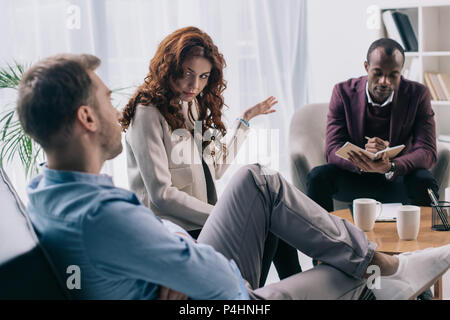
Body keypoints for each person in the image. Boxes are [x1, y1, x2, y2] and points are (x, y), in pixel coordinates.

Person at [17, 53, 450, 300]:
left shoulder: (44, 191)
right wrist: (196, 270)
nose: (118, 112)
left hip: (190, 267)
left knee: (256, 179)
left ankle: (377, 261)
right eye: (107, 101)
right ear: (87, 117)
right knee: (352, 278)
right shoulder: (103, 211)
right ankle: (385, 272)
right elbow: (220, 279)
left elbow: (214, 168)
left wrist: (172, 260)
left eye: (202, 76)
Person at [120, 26, 300, 286]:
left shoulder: (189, 104)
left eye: (203, 77)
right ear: (168, 67)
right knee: (267, 224)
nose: (195, 85)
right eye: (187, 74)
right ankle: (245, 296)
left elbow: (214, 168)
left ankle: (267, 292)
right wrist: (221, 216)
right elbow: (162, 195)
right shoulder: (147, 113)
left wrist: (245, 121)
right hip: (173, 231)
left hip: (200, 222)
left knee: (273, 218)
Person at [307, 38, 439, 212]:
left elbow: (428, 151)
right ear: (366, 67)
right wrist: (363, 163)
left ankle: (426, 238)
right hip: (354, 176)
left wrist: (391, 166)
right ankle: (324, 237)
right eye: (378, 73)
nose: (385, 81)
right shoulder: (343, 92)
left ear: (401, 72)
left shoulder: (417, 94)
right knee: (318, 176)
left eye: (393, 74)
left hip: (396, 176)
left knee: (425, 181)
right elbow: (332, 149)